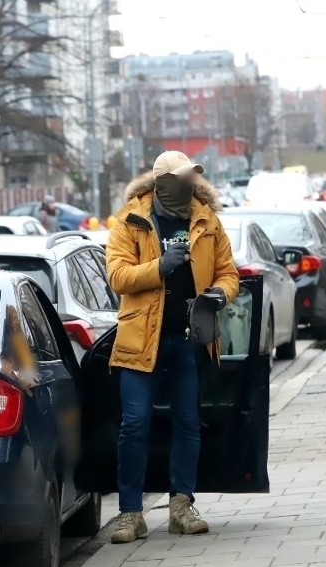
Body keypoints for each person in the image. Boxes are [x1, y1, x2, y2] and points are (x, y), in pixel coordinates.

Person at [105, 150, 239, 544]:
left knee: (187, 423)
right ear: (160, 181)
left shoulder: (206, 220)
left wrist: (219, 294)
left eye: (191, 179)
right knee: (134, 425)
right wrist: (159, 266)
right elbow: (117, 275)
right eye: (179, 179)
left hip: (188, 339)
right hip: (140, 341)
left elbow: (228, 272)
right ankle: (131, 514)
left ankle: (182, 505)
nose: (187, 186)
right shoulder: (130, 220)